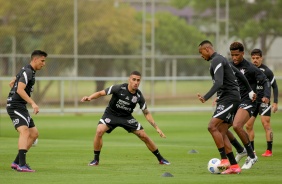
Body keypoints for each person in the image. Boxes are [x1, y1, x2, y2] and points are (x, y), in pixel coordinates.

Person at [80, 71, 170, 166]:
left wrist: (156, 128)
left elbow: (146, 112)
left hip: (126, 117)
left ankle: (161, 159)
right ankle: (96, 160)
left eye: (138, 80)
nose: (136, 82)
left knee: (144, 136)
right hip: (111, 114)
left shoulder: (138, 95)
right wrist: (89, 97)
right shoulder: (118, 88)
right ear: (129, 80)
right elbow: (100, 93)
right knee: (99, 131)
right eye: (134, 79)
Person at [197, 40, 255, 174]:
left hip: (229, 98)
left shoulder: (216, 60)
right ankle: (234, 167)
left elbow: (218, 82)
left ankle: (224, 160)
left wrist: (205, 97)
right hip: (228, 98)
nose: (201, 56)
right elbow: (240, 74)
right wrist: (250, 91)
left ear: (207, 49)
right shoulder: (222, 60)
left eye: (201, 53)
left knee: (212, 126)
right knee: (221, 130)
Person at [228, 42, 271, 169]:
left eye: (237, 55)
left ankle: (252, 156)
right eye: (232, 55)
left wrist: (267, 96)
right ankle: (241, 150)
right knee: (220, 127)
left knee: (237, 126)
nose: (234, 57)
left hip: (248, 101)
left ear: (242, 53)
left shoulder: (250, 68)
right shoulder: (229, 66)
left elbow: (265, 81)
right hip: (234, 101)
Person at [6, 50, 48, 172]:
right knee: (25, 131)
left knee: (34, 134)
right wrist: (33, 103)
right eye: (42, 60)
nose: (44, 63)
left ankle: (16, 162)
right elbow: (20, 90)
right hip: (15, 106)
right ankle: (22, 165)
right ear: (35, 59)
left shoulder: (27, 70)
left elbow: (15, 80)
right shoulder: (28, 71)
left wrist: (14, 82)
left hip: (20, 106)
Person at [245, 49, 278, 157]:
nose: (255, 60)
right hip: (253, 101)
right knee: (248, 125)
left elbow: (275, 86)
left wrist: (275, 102)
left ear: (261, 58)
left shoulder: (267, 71)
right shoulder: (248, 70)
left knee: (266, 124)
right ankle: (252, 151)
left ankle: (269, 150)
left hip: (264, 101)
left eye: (257, 58)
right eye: (253, 58)